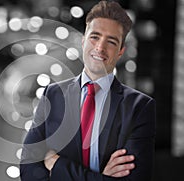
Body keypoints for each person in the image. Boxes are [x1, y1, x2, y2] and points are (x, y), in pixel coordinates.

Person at [20, 1, 156, 181]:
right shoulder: (52, 95)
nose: (100, 47)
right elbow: (28, 171)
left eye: (111, 41)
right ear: (83, 41)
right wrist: (101, 177)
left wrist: (57, 165)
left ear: (121, 51)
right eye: (95, 37)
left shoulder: (140, 107)